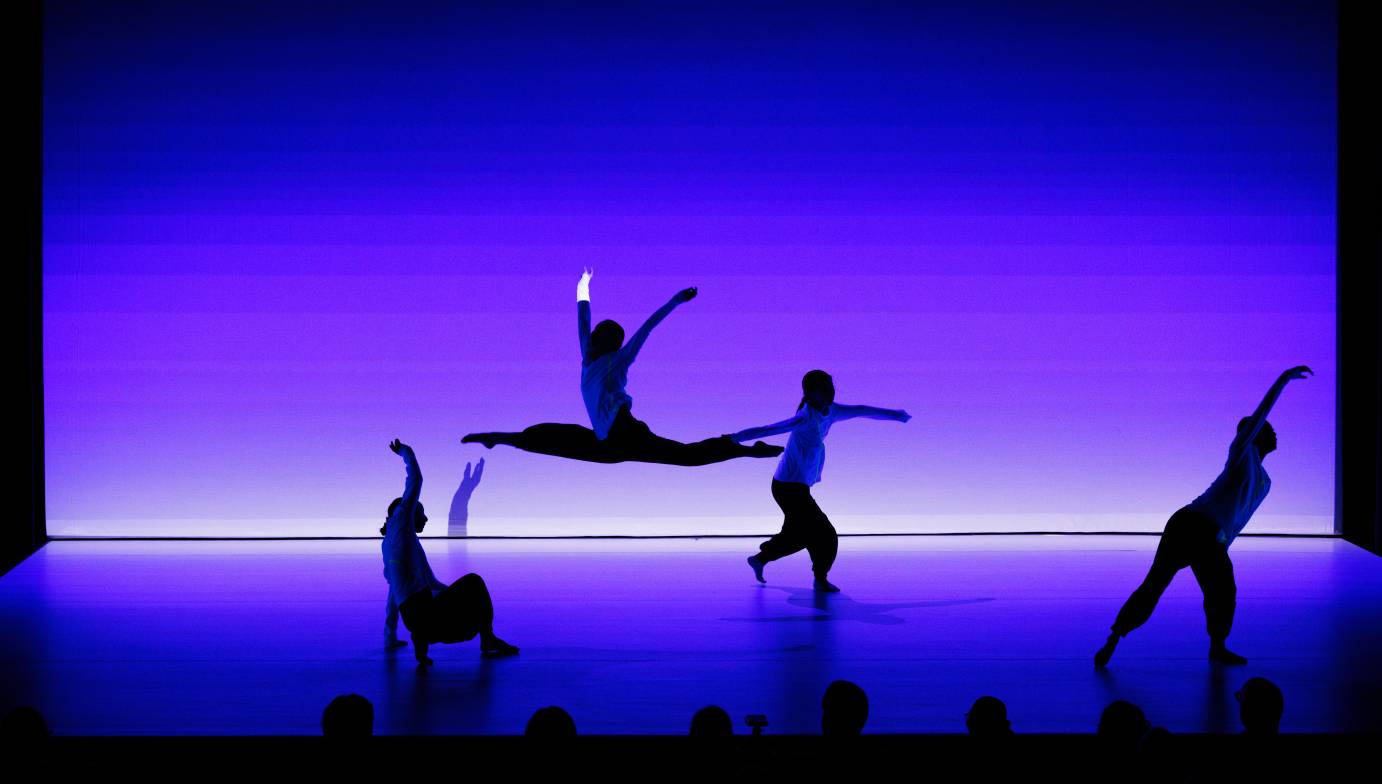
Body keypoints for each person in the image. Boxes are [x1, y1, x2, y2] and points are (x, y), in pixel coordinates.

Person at [1095, 366, 1313, 668]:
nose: (1275, 431)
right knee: (1157, 585)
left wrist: (1222, 545)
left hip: (1209, 535)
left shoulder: (1264, 480)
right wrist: (1283, 381)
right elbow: (1260, 413)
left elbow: (1236, 519)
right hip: (1190, 525)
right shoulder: (1242, 455)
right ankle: (1115, 638)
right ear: (1255, 435)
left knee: (1220, 591)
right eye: (1268, 428)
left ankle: (1216, 647)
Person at [463, 270, 783, 466]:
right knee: (550, 437)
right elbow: (583, 321)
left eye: (604, 337)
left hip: (625, 433)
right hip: (608, 444)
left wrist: (675, 301)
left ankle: (740, 446)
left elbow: (648, 327)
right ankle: (497, 438)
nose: (593, 339)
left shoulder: (620, 359)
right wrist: (583, 287)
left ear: (612, 343)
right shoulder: (588, 361)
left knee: (687, 457)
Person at [732, 370, 910, 592]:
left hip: (798, 486)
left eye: (831, 385)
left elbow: (863, 410)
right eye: (824, 387)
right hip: (787, 487)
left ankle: (761, 558)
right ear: (810, 393)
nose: (830, 391)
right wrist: (733, 439)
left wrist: (896, 415)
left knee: (799, 534)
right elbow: (769, 429)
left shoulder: (832, 411)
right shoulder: (805, 417)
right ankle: (819, 578)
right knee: (824, 533)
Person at [381, 439, 518, 665]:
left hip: (416, 619)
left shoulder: (395, 546)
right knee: (475, 582)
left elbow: (395, 593)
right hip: (426, 617)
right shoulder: (400, 526)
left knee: (465, 594)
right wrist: (407, 452)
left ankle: (422, 639)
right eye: (420, 512)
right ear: (406, 513)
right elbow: (415, 480)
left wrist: (390, 636)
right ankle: (488, 640)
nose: (425, 518)